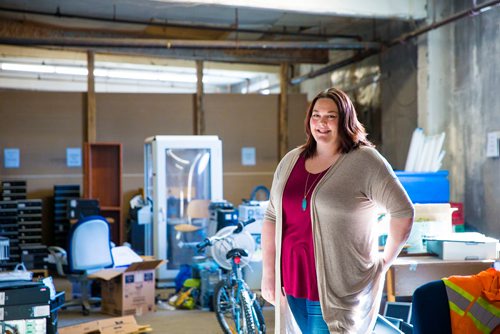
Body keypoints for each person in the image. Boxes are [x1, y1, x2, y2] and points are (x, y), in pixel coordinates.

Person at [261, 87, 414, 333]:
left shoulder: (365, 161)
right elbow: (271, 217)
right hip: (291, 282)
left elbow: (403, 212)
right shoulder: (291, 160)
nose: (322, 123)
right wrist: (269, 274)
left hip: (337, 287)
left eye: (331, 116)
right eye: (316, 115)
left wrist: (383, 261)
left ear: (345, 120)